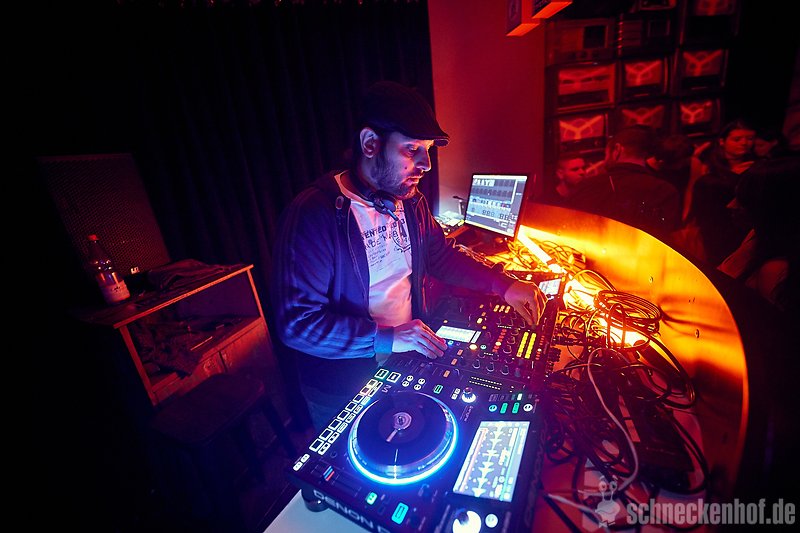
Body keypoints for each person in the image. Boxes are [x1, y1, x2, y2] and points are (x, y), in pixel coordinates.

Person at [270, 80, 546, 430]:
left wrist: (503, 284)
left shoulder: (410, 202)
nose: (425, 164)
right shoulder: (314, 214)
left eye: (427, 150)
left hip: (403, 361)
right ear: (370, 144)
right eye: (412, 149)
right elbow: (297, 324)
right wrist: (386, 338)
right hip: (341, 383)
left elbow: (440, 256)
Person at [568, 125, 681, 238]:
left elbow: (571, 231)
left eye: (606, 154)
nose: (605, 159)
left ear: (617, 150)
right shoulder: (665, 191)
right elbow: (666, 237)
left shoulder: (586, 187)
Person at [718, 157, 799, 315]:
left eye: (744, 201)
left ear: (773, 208)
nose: (730, 205)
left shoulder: (777, 271)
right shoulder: (757, 235)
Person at [682, 119, 757, 264]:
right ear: (722, 141)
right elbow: (692, 190)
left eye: (749, 139)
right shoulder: (707, 165)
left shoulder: (756, 165)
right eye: (737, 139)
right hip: (713, 227)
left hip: (744, 228)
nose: (744, 143)